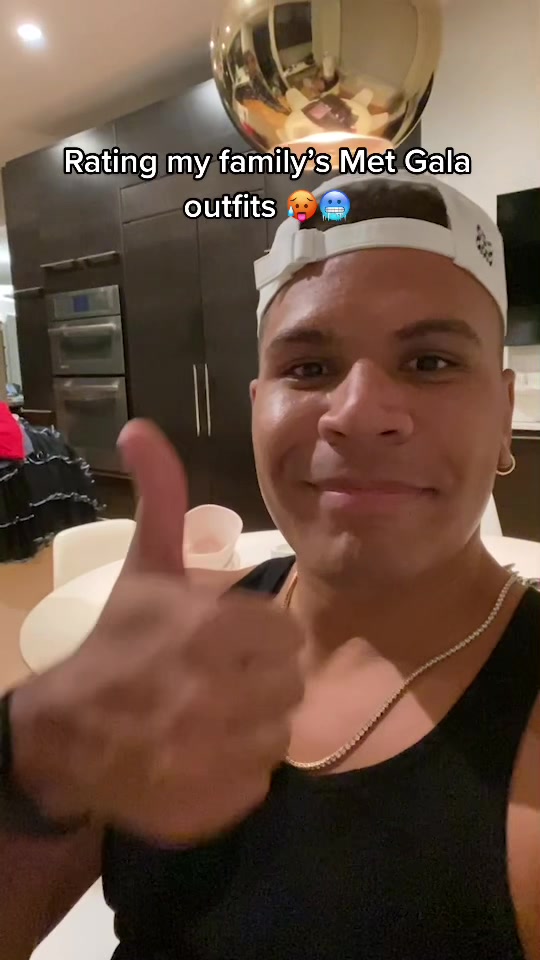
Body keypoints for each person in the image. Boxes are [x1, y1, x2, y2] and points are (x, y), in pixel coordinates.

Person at [1, 172, 539, 960]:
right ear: (257, 406)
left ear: (505, 413)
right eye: (310, 368)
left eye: (430, 362)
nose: (357, 413)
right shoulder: (176, 656)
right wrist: (34, 761)